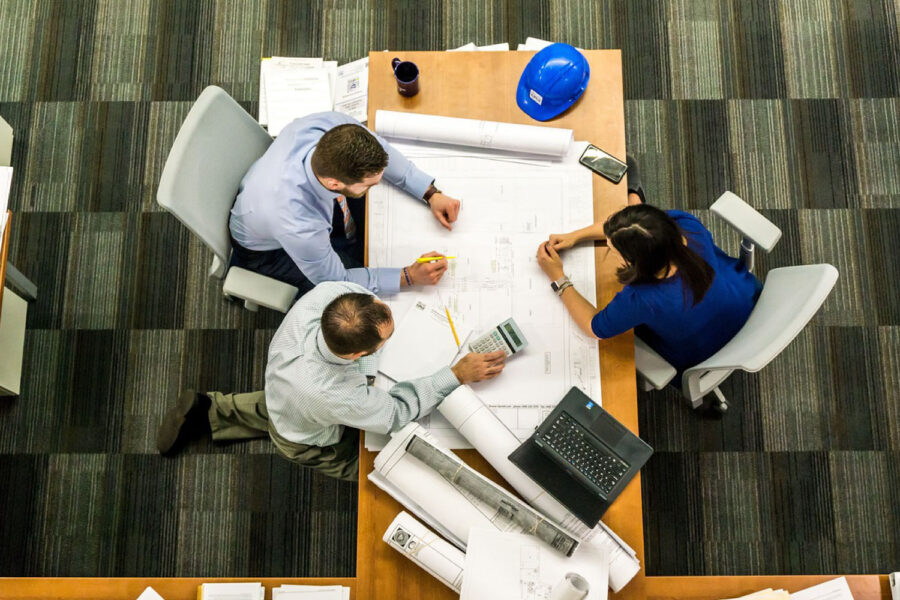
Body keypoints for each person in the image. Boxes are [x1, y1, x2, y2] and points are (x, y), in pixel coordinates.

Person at [156, 281, 507, 480]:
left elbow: (362, 299)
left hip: (285, 388)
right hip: (305, 436)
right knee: (374, 467)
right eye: (385, 341)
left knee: (280, 405)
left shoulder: (328, 297)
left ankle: (210, 409)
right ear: (356, 355)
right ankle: (215, 414)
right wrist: (455, 374)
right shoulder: (336, 395)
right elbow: (396, 413)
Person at [535, 158, 761, 379]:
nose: (609, 247)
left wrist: (558, 278)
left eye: (613, 250)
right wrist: (575, 237)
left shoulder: (642, 299)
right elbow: (634, 228)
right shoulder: (686, 226)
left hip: (704, 352)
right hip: (745, 300)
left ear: (636, 263)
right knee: (629, 170)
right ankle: (634, 192)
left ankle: (634, 191)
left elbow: (594, 327)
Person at [230, 111, 462, 295]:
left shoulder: (331, 127)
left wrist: (430, 193)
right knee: (349, 299)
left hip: (270, 194)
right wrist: (408, 276)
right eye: (369, 185)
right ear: (334, 184)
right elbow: (336, 280)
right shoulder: (298, 224)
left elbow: (383, 151)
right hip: (269, 251)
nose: (376, 187)